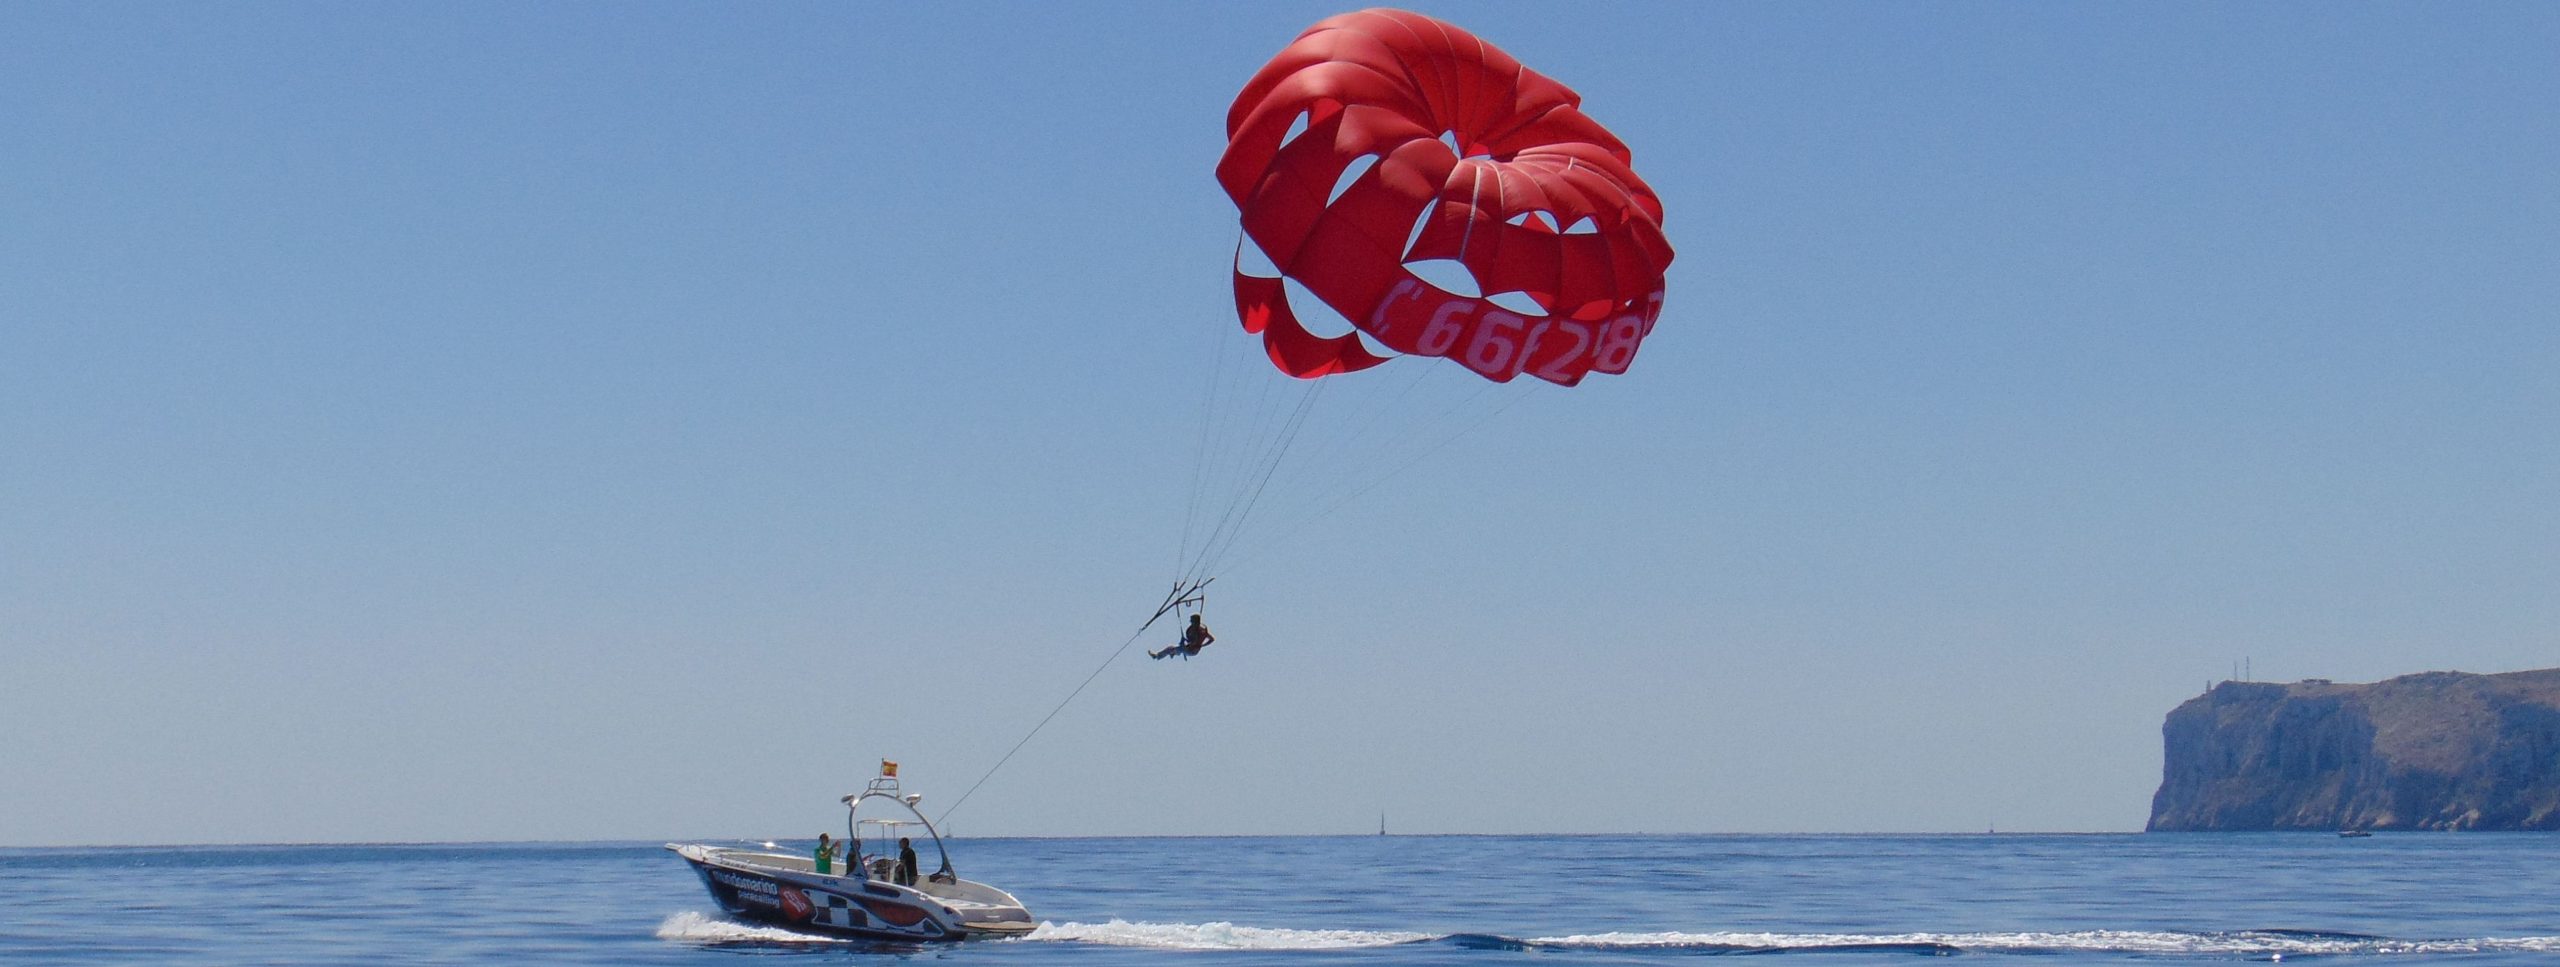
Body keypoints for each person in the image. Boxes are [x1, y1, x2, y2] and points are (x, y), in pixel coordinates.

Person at [1150, 614, 1215, 660]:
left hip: (1191, 651)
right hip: (1190, 649)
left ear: (1195, 621)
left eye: (1192, 621)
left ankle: (1157, 656)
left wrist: (1201, 645)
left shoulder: (1201, 631)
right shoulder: (1199, 630)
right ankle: (1173, 653)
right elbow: (1211, 639)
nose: (1190, 622)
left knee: (1170, 649)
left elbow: (1195, 642)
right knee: (1172, 648)